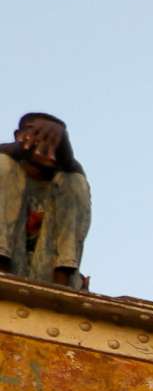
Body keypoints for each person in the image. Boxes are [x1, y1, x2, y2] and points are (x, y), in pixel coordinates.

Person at [0, 112, 88, 286]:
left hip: (45, 276)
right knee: (3, 163)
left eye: (54, 141)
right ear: (19, 136)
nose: (48, 145)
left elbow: (72, 167)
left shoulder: (67, 182)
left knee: (75, 181)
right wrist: (23, 146)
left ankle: (62, 284)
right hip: (11, 267)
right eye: (39, 136)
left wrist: (63, 142)